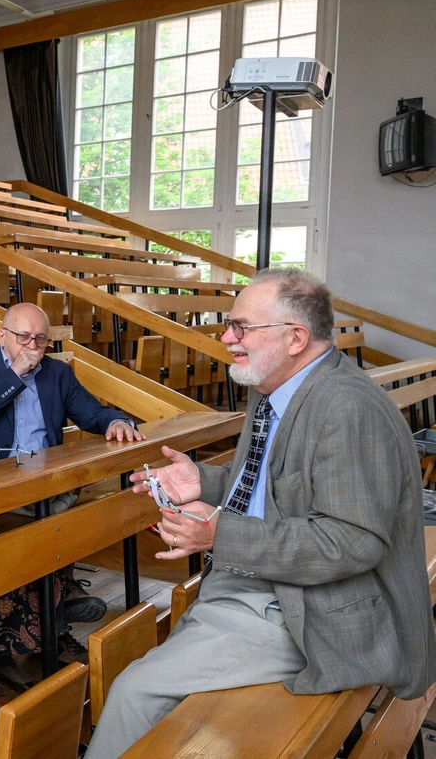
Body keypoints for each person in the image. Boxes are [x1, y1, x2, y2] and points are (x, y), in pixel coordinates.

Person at [86, 269, 436, 759]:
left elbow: (351, 542)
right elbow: (273, 482)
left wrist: (216, 536)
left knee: (134, 693)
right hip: (259, 583)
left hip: (314, 613)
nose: (227, 338)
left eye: (242, 327)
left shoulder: (346, 408)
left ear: (295, 337)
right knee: (158, 683)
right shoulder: (277, 389)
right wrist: (201, 483)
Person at [0, 303, 142, 689]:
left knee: (63, 516)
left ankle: (52, 616)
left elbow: (91, 413)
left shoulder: (59, 372)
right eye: (23, 337)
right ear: (2, 334)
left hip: (47, 481)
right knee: (41, 534)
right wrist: (15, 373)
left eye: (41, 338)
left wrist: (117, 420)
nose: (33, 345)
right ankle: (49, 614)